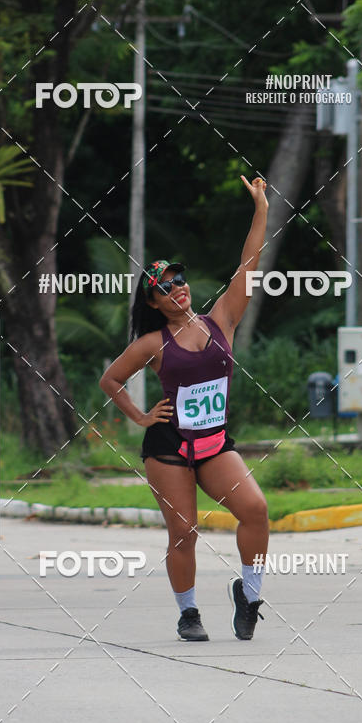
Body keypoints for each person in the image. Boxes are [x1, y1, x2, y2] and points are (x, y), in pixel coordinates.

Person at [100, 175, 269, 641]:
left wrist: (261, 210)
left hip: (214, 442)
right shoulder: (151, 343)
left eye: (179, 279)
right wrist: (139, 416)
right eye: (164, 287)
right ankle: (188, 613)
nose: (176, 287)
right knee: (184, 530)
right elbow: (110, 379)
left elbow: (249, 262)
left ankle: (250, 596)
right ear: (154, 302)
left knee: (255, 509)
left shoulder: (222, 320)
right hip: (168, 446)